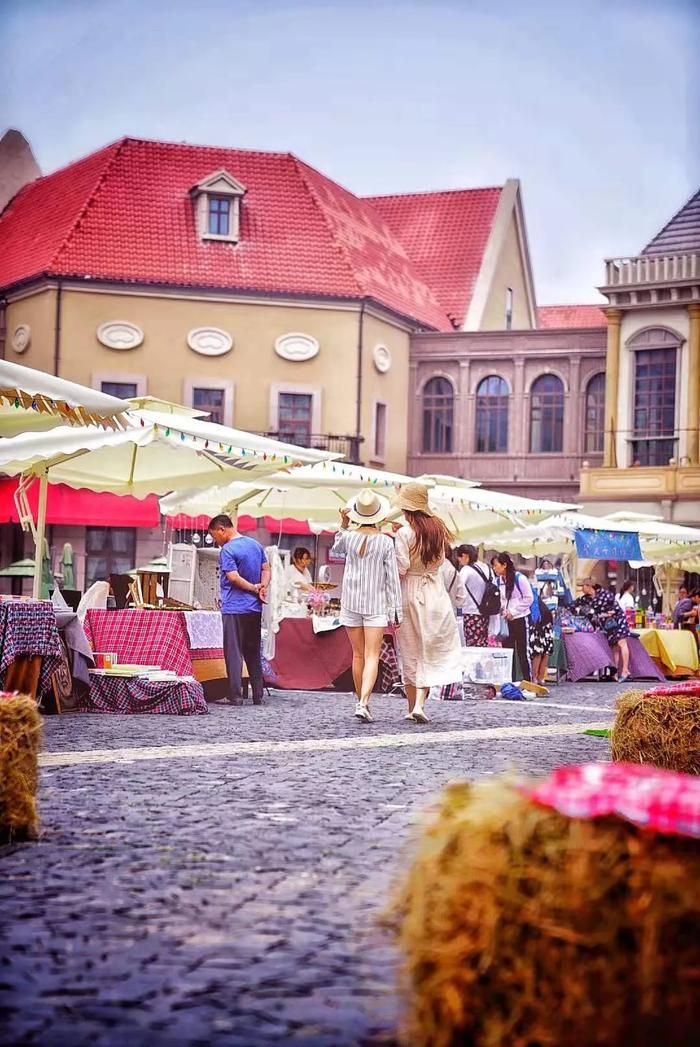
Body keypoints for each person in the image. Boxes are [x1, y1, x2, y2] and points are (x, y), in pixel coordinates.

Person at [392, 483, 463, 724]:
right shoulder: (437, 531)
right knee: (429, 650)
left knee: (411, 650)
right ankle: (416, 707)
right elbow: (440, 563)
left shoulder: (403, 534)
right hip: (435, 593)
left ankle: (416, 705)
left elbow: (401, 568)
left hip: (410, 592)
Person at [332, 489, 402, 723]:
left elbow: (336, 547)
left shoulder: (349, 537)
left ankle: (362, 701)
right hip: (375, 604)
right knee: (372, 655)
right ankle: (363, 702)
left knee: (358, 655)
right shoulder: (385, 542)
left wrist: (343, 523)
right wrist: (396, 610)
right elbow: (392, 578)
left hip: (351, 602)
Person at [208, 514, 270, 706]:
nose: (215, 541)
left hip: (234, 607)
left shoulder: (227, 550)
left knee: (234, 651)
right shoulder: (255, 545)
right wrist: (262, 588)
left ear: (222, 529)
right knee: (252, 651)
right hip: (254, 608)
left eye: (214, 535)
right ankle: (258, 694)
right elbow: (266, 569)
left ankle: (235, 695)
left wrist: (253, 587)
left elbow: (233, 577)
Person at [491, 552, 534, 682]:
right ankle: (511, 681)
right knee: (508, 652)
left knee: (522, 651)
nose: (494, 568)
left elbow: (528, 598)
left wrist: (513, 612)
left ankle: (528, 681)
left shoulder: (519, 579)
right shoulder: (498, 581)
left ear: (504, 565)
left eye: (495, 565)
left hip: (520, 618)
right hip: (506, 621)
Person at [581, 578, 631, 682]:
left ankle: (625, 670)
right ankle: (614, 673)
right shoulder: (589, 598)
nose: (582, 589)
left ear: (589, 586)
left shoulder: (604, 595)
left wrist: (602, 614)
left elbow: (613, 609)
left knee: (622, 643)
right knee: (615, 647)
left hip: (617, 620)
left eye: (583, 586)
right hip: (608, 625)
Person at [456, 543, 497, 647]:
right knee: (483, 644)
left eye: (459, 558)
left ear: (465, 556)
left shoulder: (466, 570)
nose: (459, 562)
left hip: (471, 613)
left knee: (472, 646)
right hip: (486, 613)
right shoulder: (488, 568)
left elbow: (457, 588)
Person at [529, 581, 554, 686]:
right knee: (545, 652)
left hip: (538, 623)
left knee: (538, 652)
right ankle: (540, 678)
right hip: (547, 622)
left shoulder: (529, 596)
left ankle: (534, 678)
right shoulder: (535, 596)